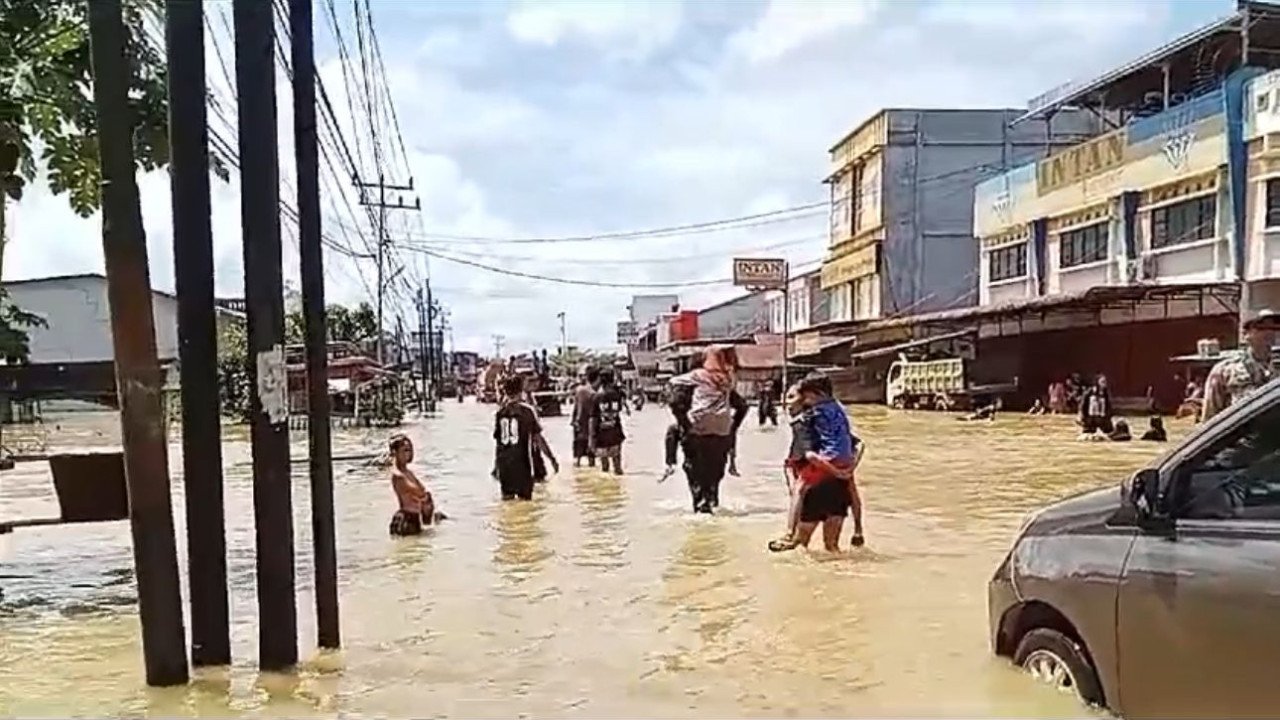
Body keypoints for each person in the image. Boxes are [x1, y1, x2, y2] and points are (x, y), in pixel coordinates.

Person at [668, 345, 749, 514]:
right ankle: (712, 501)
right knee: (714, 470)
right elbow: (742, 407)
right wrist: (732, 428)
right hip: (722, 433)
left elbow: (675, 403)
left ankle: (700, 506)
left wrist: (686, 426)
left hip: (697, 432)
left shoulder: (691, 380)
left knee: (695, 469)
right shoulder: (724, 382)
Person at [797, 371, 865, 548]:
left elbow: (810, 456)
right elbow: (859, 445)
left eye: (806, 396)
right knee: (832, 547)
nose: (805, 401)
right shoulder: (839, 409)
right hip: (841, 474)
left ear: (818, 394)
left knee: (799, 546)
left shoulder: (810, 418)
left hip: (822, 476)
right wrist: (848, 469)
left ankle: (789, 533)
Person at [1201, 310, 1279, 422]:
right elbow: (1210, 416)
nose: (1270, 333)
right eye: (1261, 329)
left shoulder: (1277, 366)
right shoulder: (1225, 370)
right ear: (1246, 334)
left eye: (1275, 329)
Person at [494, 375, 559, 501]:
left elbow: (498, 443)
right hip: (522, 464)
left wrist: (496, 466)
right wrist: (552, 459)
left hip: (504, 465)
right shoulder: (527, 411)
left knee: (508, 503)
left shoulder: (500, 412)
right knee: (526, 503)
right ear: (520, 390)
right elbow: (538, 439)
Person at [387, 434, 444, 536]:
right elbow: (420, 492)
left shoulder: (408, 473)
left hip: (415, 517)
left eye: (409, 450)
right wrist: (425, 498)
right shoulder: (398, 475)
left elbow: (422, 491)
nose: (408, 454)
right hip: (405, 519)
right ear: (395, 453)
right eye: (405, 450)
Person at [590, 369, 628, 475]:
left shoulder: (597, 397)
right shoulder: (617, 394)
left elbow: (593, 418)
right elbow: (619, 409)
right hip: (615, 431)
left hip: (601, 433)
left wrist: (592, 438)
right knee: (618, 467)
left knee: (605, 468)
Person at [571, 367, 600, 468]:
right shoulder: (595, 394)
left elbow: (575, 408)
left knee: (577, 458)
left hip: (578, 426)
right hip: (590, 428)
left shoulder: (579, 390)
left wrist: (573, 421)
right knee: (591, 458)